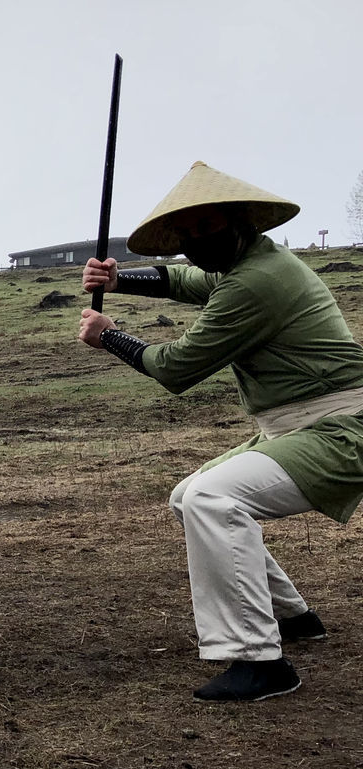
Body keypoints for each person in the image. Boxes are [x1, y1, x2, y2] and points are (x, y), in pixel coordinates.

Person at [77, 161, 363, 701]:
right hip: (298, 425)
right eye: (188, 233)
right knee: (189, 495)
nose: (196, 242)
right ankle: (291, 616)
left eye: (207, 228)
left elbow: (178, 367)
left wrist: (110, 337)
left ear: (241, 223)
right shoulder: (250, 263)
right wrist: (120, 280)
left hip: (341, 426)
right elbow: (192, 279)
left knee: (212, 497)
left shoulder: (258, 281)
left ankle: (259, 660)